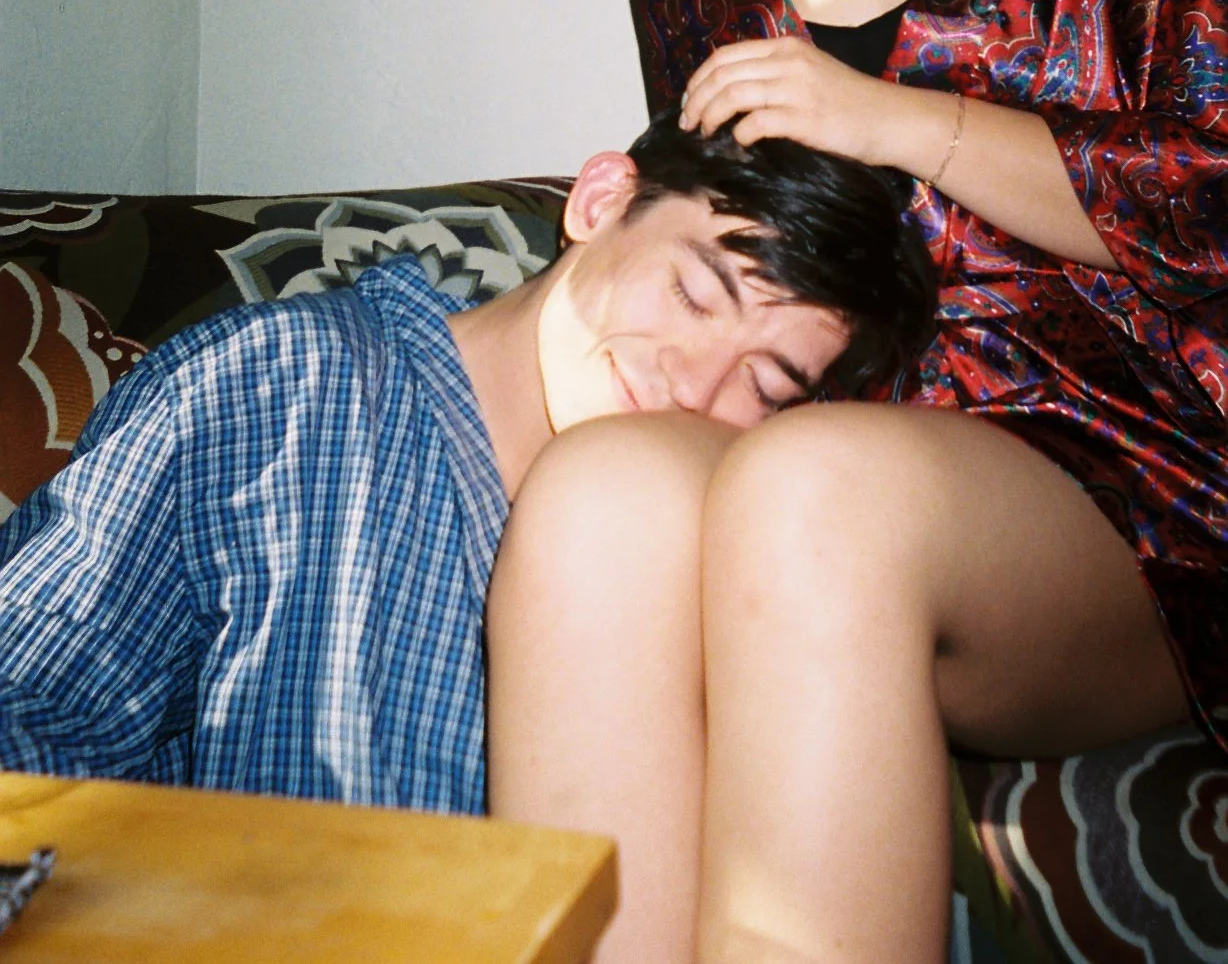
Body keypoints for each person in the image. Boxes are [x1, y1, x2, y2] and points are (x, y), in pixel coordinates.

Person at [484, 0, 1228, 963]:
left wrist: (894, 119)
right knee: (605, 492)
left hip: (1127, 478)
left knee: (817, 490)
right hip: (818, 455)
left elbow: (1214, 196)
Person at [0, 112, 932, 813]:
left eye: (764, 384)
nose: (694, 386)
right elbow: (32, 709)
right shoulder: (280, 384)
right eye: (691, 293)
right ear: (601, 202)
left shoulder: (734, 551)